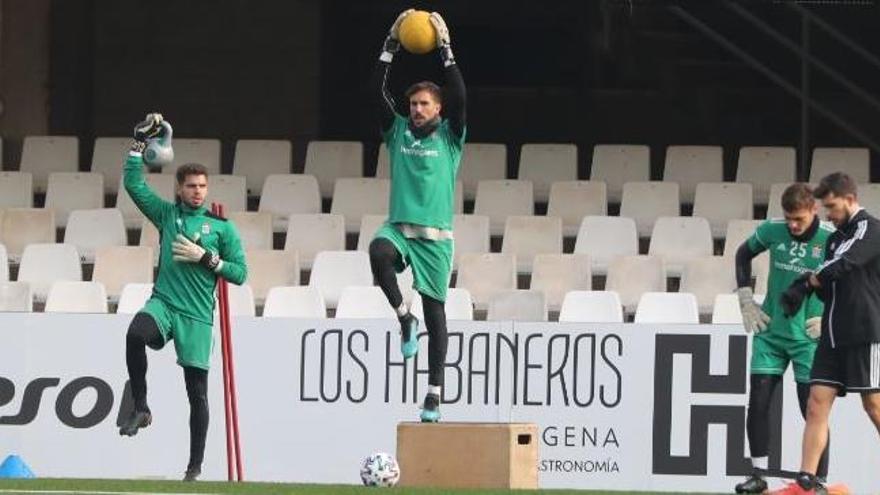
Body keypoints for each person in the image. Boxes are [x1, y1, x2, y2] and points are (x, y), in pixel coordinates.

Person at [117, 113, 248, 481]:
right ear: (179, 188)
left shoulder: (223, 228)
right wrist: (139, 143)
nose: (197, 192)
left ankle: (194, 467)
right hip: (165, 304)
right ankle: (141, 407)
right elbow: (132, 183)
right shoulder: (167, 215)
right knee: (134, 335)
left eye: (202, 186)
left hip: (197, 317)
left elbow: (240, 274)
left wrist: (209, 259)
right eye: (191, 186)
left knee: (198, 394)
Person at [368, 10, 465, 423]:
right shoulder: (397, 131)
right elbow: (374, 91)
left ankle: (434, 394)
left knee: (436, 311)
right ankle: (402, 318)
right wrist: (390, 48)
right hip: (400, 229)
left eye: (425, 103)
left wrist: (445, 51)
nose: (417, 109)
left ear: (439, 109)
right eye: (413, 104)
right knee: (378, 251)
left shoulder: (450, 135)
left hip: (436, 237)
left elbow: (461, 95)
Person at [772, 172, 880, 494]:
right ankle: (807, 481)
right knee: (816, 404)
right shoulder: (833, 238)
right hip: (832, 334)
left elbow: (846, 263)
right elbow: (829, 284)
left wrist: (805, 282)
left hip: (864, 331)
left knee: (873, 406)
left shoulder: (871, 229)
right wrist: (807, 292)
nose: (828, 215)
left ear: (849, 199)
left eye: (832, 207)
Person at [732, 183, 833, 494]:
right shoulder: (773, 230)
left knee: (813, 411)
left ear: (813, 211)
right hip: (771, 331)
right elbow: (742, 255)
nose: (793, 225)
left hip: (808, 336)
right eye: (789, 218)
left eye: (799, 219)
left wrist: (828, 314)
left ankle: (816, 481)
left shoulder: (830, 237)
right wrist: (746, 299)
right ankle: (758, 475)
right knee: (758, 402)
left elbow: (852, 278)